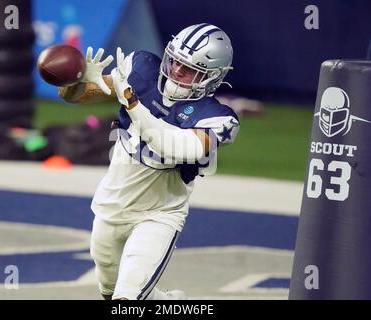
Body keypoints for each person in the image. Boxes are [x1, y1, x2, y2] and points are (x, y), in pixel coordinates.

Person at [59, 23, 240, 300]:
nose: (177, 72)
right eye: (176, 61)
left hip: (158, 214)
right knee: (110, 293)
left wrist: (132, 103)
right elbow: (77, 96)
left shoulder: (218, 118)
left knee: (126, 300)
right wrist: (73, 79)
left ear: (212, 77)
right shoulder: (142, 69)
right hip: (111, 205)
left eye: (189, 69)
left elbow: (173, 146)